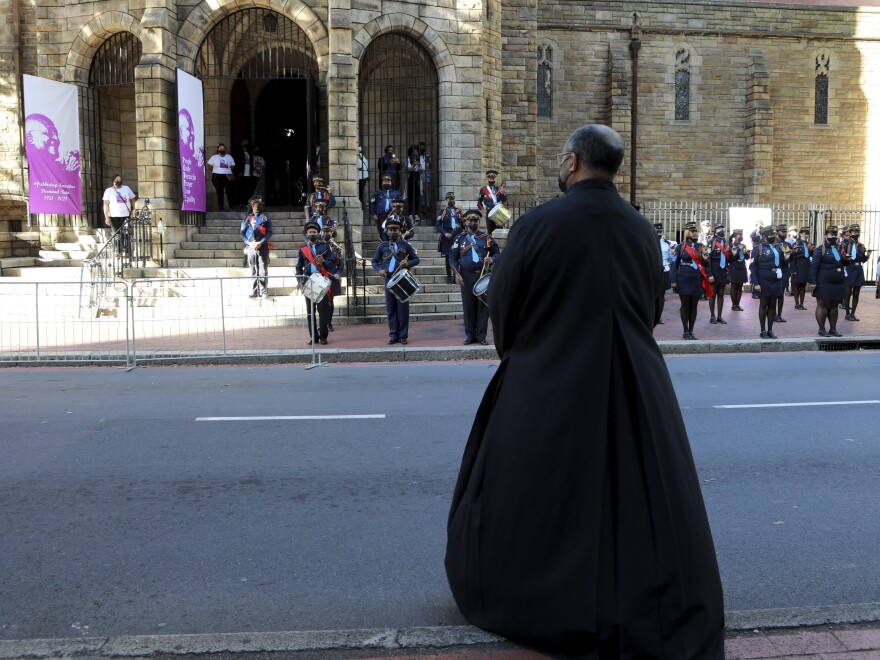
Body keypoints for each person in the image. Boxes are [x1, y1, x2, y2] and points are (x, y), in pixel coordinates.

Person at [446, 124, 724, 660]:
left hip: (549, 375)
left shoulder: (537, 224)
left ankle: (539, 599)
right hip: (633, 380)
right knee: (635, 498)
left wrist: (528, 353)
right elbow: (649, 307)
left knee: (540, 496)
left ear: (572, 163)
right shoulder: (643, 231)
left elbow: (503, 309)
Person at [450, 210, 499, 345]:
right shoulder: (459, 238)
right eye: (470, 221)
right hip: (466, 277)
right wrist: (456, 273)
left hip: (483, 275)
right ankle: (470, 335)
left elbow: (497, 253)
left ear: (479, 222)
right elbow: (453, 258)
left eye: (475, 221)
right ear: (465, 222)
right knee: (468, 307)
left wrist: (492, 260)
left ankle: (481, 336)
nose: (472, 223)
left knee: (483, 307)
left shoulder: (486, 237)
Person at [371, 216, 420, 345]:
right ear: (387, 232)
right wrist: (380, 270)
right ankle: (393, 334)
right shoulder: (382, 246)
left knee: (403, 309)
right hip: (388, 280)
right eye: (390, 230)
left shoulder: (405, 245)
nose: (393, 232)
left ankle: (403, 335)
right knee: (391, 308)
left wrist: (407, 263)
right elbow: (374, 261)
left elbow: (416, 259)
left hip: (402, 279)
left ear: (400, 232)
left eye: (395, 230)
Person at [671, 221, 715, 340]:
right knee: (685, 306)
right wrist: (673, 280)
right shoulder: (681, 247)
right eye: (693, 231)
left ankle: (691, 330)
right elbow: (675, 264)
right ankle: (685, 331)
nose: (695, 233)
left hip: (696, 279)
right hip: (684, 278)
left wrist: (706, 260)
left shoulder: (700, 246)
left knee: (694, 306)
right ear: (687, 233)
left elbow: (706, 264)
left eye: (696, 231)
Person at [296, 220, 337, 345]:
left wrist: (323, 261)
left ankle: (323, 336)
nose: (312, 234)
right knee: (310, 312)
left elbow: (332, 263)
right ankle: (313, 336)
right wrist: (300, 280)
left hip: (321, 280)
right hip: (308, 281)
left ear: (318, 233)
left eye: (314, 232)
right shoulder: (303, 249)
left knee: (323, 311)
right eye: (310, 232)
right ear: (306, 234)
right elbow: (298, 267)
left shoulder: (325, 247)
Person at [810, 225, 846, 337]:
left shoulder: (839, 249)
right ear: (826, 235)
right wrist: (813, 282)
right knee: (823, 305)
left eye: (835, 235)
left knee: (834, 305)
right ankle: (822, 329)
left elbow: (843, 263)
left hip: (838, 281)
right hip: (824, 281)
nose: (833, 237)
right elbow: (814, 266)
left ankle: (833, 329)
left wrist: (847, 259)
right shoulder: (820, 249)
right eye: (831, 234)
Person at [750, 226, 785, 339]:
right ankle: (763, 330)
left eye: (774, 234)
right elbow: (753, 267)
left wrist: (787, 257)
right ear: (765, 236)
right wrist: (756, 283)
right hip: (763, 279)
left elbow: (782, 262)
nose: (773, 236)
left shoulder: (778, 247)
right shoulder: (758, 248)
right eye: (771, 235)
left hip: (776, 279)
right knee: (763, 304)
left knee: (772, 305)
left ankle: (770, 330)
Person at [240, 198, 272, 298]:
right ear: (252, 206)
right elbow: (242, 232)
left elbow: (269, 232)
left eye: (258, 205)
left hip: (262, 246)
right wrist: (248, 243)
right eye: (254, 205)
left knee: (263, 268)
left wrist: (261, 242)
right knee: (253, 268)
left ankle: (263, 290)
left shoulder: (265, 218)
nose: (256, 206)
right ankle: (254, 290)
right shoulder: (247, 218)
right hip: (251, 246)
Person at [102, 174, 138, 256]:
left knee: (126, 233)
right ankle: (117, 251)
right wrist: (106, 217)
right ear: (113, 181)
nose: (119, 181)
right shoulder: (109, 191)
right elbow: (105, 205)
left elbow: (133, 200)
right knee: (115, 233)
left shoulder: (127, 188)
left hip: (126, 215)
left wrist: (134, 211)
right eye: (117, 180)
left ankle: (126, 250)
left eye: (120, 179)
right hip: (114, 216)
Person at [842, 223, 870, 321]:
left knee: (856, 293)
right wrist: (846, 257)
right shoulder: (845, 244)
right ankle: (847, 313)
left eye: (857, 232)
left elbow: (862, 259)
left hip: (858, 269)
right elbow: (842, 259)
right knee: (848, 293)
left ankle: (853, 313)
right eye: (854, 232)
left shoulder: (861, 246)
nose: (856, 233)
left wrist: (867, 255)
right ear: (850, 233)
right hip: (850, 268)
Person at [706, 223, 730, 324]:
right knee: (712, 295)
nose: (722, 230)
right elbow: (707, 260)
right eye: (719, 228)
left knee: (721, 295)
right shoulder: (711, 243)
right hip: (714, 270)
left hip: (723, 271)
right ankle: (712, 316)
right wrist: (710, 274)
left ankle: (719, 316)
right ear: (715, 231)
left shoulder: (727, 243)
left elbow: (729, 257)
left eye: (722, 228)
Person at [322, 223, 344, 332]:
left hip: (332, 276)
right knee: (321, 301)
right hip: (321, 276)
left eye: (328, 232)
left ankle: (329, 323)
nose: (326, 234)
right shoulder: (317, 246)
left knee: (330, 301)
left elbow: (340, 264)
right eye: (324, 232)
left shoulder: (336, 248)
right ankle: (322, 322)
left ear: (332, 233)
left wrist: (338, 273)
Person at [437, 192, 463, 284]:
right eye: (449, 199)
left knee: (457, 256)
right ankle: (449, 276)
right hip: (447, 238)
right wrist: (444, 233)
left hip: (457, 237)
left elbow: (463, 224)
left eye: (452, 199)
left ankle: (457, 275)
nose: (451, 200)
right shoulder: (443, 212)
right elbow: (438, 225)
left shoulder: (458, 212)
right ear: (445, 200)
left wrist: (461, 224)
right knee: (448, 257)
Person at [476, 169, 508, 237]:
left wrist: (502, 193)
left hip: (498, 211)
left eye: (493, 178)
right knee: (490, 231)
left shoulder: (498, 189)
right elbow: (479, 202)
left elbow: (504, 202)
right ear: (488, 178)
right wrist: (482, 209)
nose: (491, 180)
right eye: (490, 178)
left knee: (499, 230)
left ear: (494, 179)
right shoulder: (483, 189)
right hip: (489, 211)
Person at [370, 175, 402, 239]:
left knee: (392, 231)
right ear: (382, 183)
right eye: (385, 181)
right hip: (381, 216)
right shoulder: (377, 193)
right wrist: (374, 214)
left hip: (392, 216)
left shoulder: (396, 193)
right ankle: (385, 246)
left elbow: (400, 204)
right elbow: (372, 204)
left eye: (388, 181)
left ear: (391, 183)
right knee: (382, 232)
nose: (386, 183)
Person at [656, 223, 676, 324]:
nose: (660, 233)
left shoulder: (666, 243)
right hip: (654, 270)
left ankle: (659, 316)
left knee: (662, 295)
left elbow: (670, 257)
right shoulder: (650, 241)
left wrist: (673, 256)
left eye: (661, 232)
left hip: (665, 269)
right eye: (658, 232)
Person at [206, 143, 235, 211]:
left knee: (229, 191)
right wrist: (216, 170)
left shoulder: (229, 157)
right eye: (220, 149)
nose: (222, 150)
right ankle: (221, 207)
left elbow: (232, 166)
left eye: (223, 149)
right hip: (217, 176)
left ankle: (231, 207)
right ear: (218, 149)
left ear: (225, 149)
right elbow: (209, 167)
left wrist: (226, 170)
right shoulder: (214, 157)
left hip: (227, 176)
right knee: (220, 192)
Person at [790, 226, 812, 311]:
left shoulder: (808, 244)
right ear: (800, 234)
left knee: (803, 285)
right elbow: (792, 258)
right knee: (796, 285)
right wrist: (794, 269)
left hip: (806, 266)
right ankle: (796, 303)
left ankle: (802, 303)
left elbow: (810, 254)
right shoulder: (796, 244)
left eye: (807, 234)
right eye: (804, 233)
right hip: (798, 265)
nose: (806, 235)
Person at [728, 228, 750, 312]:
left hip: (742, 267)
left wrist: (746, 251)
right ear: (734, 236)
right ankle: (734, 305)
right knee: (734, 286)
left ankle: (738, 304)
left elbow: (747, 258)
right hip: (734, 266)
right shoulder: (731, 245)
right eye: (739, 234)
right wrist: (737, 249)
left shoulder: (742, 245)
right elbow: (730, 259)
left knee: (740, 286)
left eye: (741, 234)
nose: (740, 236)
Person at [774, 223, 791, 323]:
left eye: (785, 232)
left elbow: (788, 260)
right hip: (775, 271)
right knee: (774, 295)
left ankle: (779, 314)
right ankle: (773, 314)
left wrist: (789, 256)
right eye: (782, 232)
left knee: (781, 294)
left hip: (784, 271)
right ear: (777, 232)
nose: (784, 234)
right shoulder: (774, 244)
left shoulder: (786, 244)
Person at [234, 139, 256, 206]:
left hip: (248, 173)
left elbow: (252, 162)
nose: (246, 144)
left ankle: (247, 202)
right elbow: (236, 162)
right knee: (241, 188)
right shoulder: (238, 152)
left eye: (247, 143)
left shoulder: (249, 152)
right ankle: (240, 202)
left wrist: (252, 171)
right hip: (241, 173)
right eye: (245, 143)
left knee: (248, 189)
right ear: (242, 143)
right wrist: (239, 171)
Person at [405, 144, 423, 219]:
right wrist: (413, 166)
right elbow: (408, 168)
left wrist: (420, 164)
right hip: (411, 178)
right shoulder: (408, 159)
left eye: (416, 151)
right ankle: (409, 213)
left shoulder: (420, 158)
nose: (415, 153)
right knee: (410, 196)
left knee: (417, 196)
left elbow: (423, 168)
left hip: (418, 179)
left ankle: (416, 213)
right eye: (414, 151)